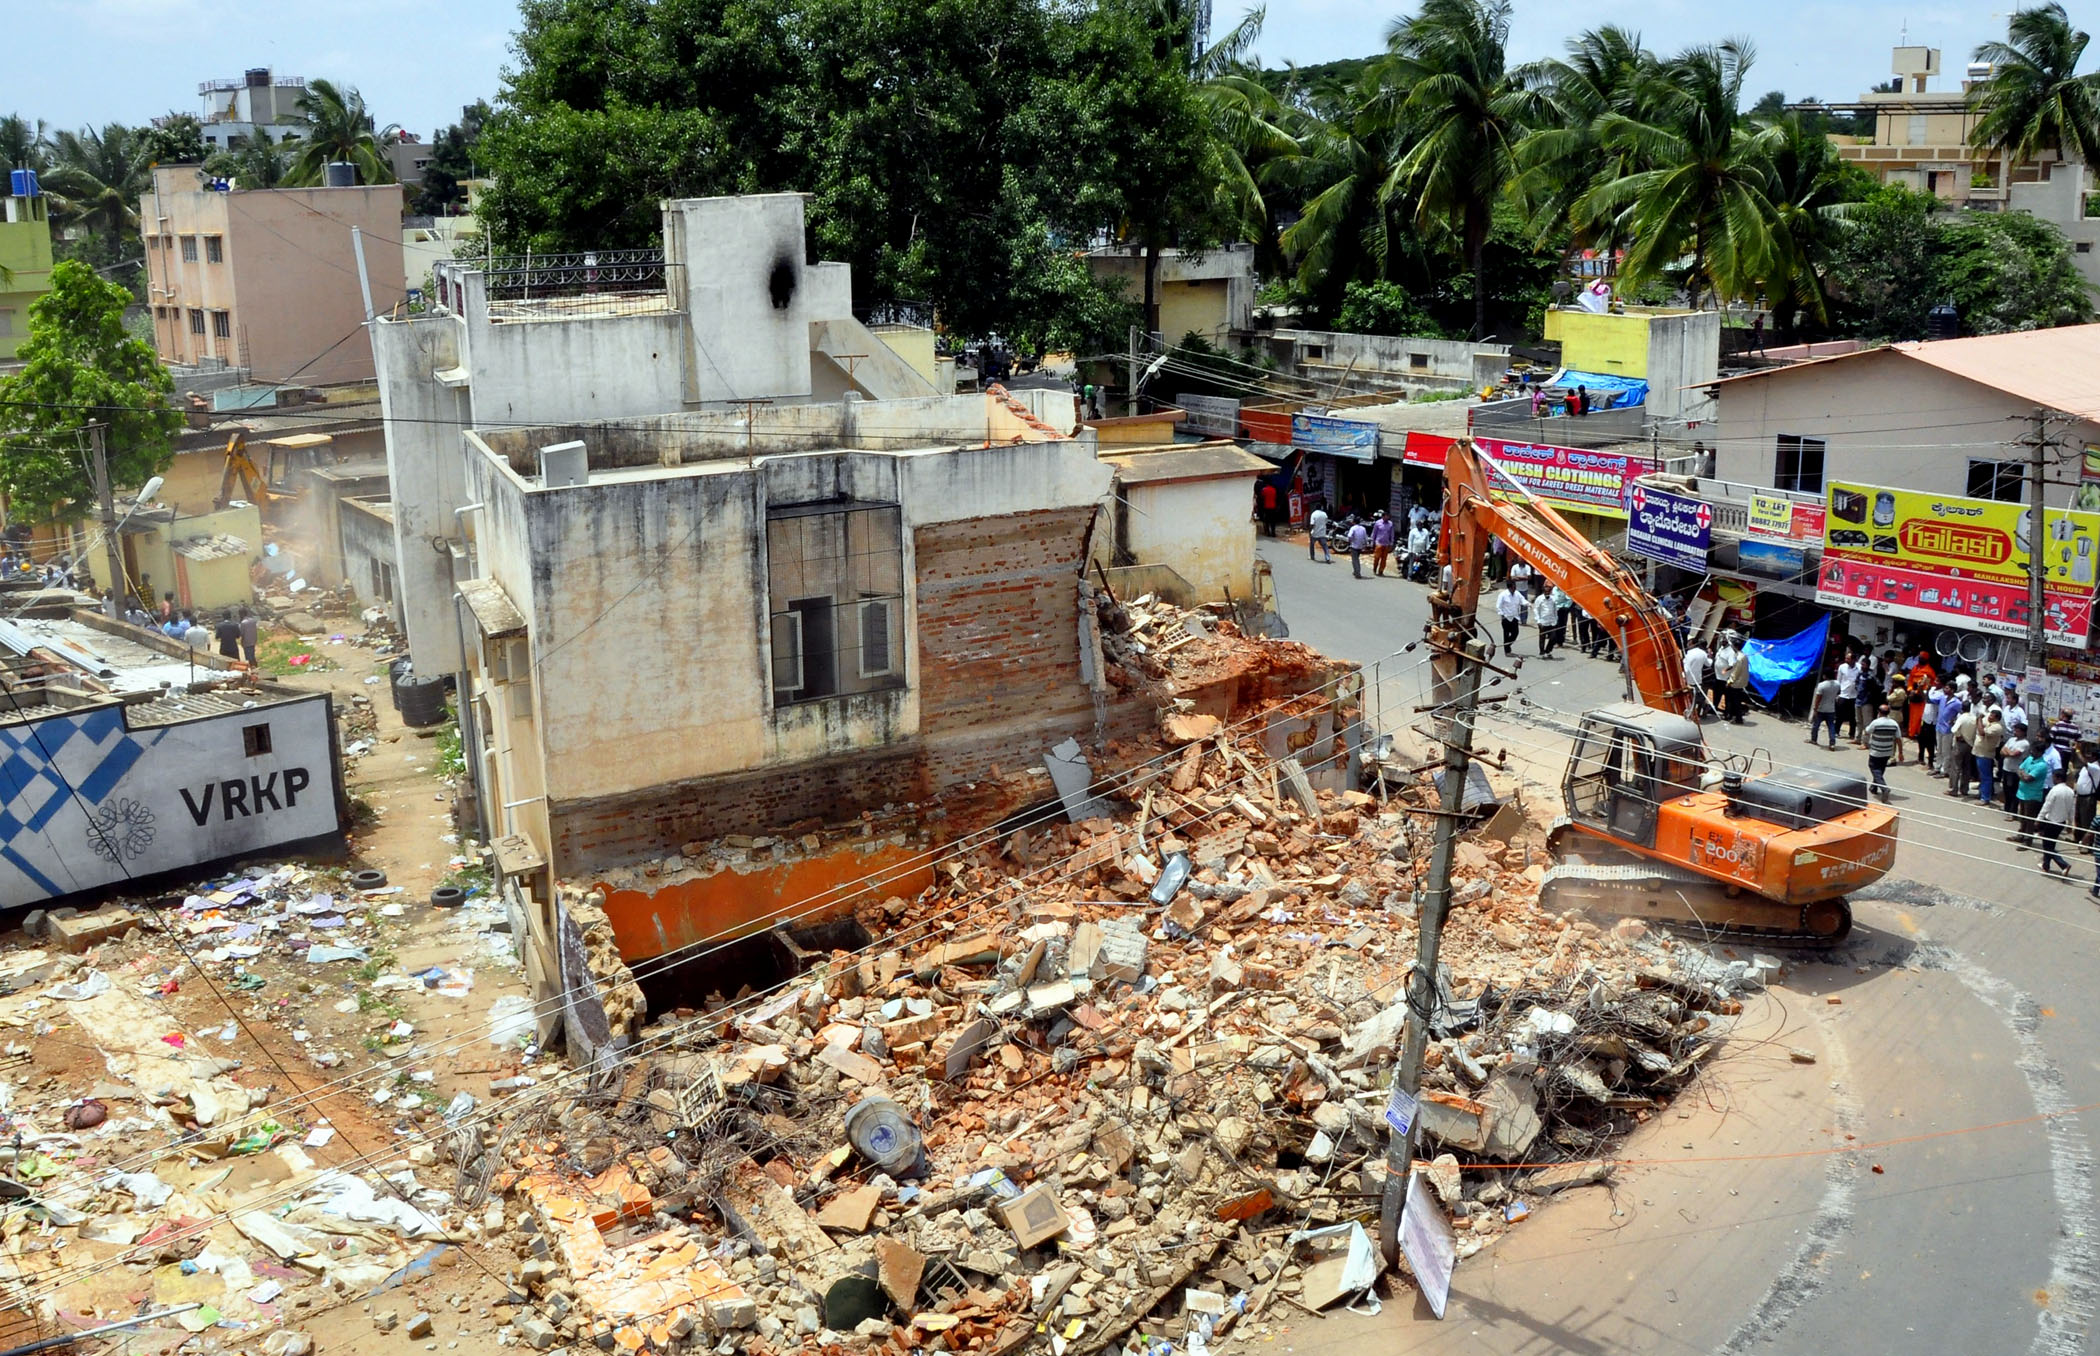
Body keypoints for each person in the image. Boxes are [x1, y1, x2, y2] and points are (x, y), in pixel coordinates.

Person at [2014, 743, 2053, 849]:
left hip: (2032, 795)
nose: (2032, 752)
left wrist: (2023, 774)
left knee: (2029, 819)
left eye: (2035, 751)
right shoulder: (2030, 758)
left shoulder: (2042, 765)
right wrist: (2023, 774)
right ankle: (2021, 834)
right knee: (2022, 816)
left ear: (2040, 753)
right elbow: (2019, 769)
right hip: (2022, 793)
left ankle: (2028, 840)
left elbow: (2028, 779)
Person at [2039, 768, 2076, 875]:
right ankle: (2046, 866)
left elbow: (2047, 806)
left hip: (2051, 821)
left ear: (2058, 778)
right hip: (2061, 822)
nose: (2053, 779)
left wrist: (2039, 819)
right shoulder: (2070, 791)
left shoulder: (2054, 790)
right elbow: (2071, 809)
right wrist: (2070, 823)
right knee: (2051, 843)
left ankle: (2063, 864)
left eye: (2054, 777)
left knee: (2047, 846)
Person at [1863, 704, 1901, 802]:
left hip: (1876, 751)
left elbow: (1867, 731)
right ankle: (1874, 787)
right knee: (1880, 769)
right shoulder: (1894, 723)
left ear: (1879, 712)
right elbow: (1898, 739)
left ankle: (1884, 788)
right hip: (1888, 751)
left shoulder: (1876, 723)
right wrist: (1900, 753)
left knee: (1874, 768)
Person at [1973, 706, 2006, 804]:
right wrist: (1980, 719)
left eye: (1992, 715)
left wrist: (1979, 719)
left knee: (1986, 776)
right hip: (1979, 752)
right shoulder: (1989, 723)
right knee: (1982, 775)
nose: (1989, 716)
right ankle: (1982, 793)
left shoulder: (1997, 727)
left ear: (1996, 718)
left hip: (1985, 754)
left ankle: (1985, 798)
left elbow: (1982, 732)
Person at [1948, 701, 1978, 798]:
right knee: (1966, 767)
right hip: (1970, 744)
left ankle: (1954, 789)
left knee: (1956, 767)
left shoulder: (1962, 717)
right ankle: (1964, 789)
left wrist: (1958, 735)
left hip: (1960, 743)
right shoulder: (1974, 718)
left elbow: (1954, 729)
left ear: (1962, 708)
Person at [2002, 719, 2032, 817]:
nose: (2015, 732)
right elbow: (2002, 750)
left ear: (2023, 732)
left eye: (2017, 731)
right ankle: (2007, 809)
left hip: (2015, 770)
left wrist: (2008, 752)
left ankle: (2012, 812)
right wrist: (2008, 752)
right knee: (2006, 790)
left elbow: (2014, 754)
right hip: (2006, 768)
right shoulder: (2011, 740)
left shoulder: (2024, 743)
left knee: (2013, 791)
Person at [1810, 672, 1842, 747]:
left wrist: (1815, 709)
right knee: (1831, 726)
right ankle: (1832, 743)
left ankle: (1814, 739)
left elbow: (1818, 698)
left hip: (1821, 709)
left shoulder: (1822, 685)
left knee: (1816, 725)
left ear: (1825, 676)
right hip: (1831, 709)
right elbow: (1838, 693)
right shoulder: (1837, 684)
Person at [1917, 682, 1943, 772]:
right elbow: (1921, 695)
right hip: (1925, 718)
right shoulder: (1931, 689)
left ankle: (1930, 762)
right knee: (1921, 739)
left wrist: (1927, 690)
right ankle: (1920, 757)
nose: (1935, 682)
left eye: (1937, 680)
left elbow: (1928, 700)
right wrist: (1920, 687)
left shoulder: (1941, 693)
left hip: (1933, 721)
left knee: (1930, 742)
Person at [2077, 750, 2100, 850]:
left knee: (2087, 821)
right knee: (2079, 819)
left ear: (2094, 757)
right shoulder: (2086, 767)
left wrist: (2078, 750)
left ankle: (2087, 845)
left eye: (2089, 754)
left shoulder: (2095, 767)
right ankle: (2078, 838)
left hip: (2088, 797)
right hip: (2080, 796)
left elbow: (2083, 761)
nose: (2087, 756)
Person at [1836, 652, 1861, 743]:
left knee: (1852, 716)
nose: (1846, 660)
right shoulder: (1842, 667)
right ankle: (1836, 731)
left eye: (1848, 659)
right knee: (1840, 715)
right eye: (1846, 658)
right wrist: (1837, 693)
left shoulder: (1859, 667)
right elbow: (1838, 680)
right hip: (1843, 693)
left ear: (1854, 660)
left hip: (1854, 695)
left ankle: (1852, 733)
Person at [1723, 643, 1750, 724]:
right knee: (1737, 700)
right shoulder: (1744, 656)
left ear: (1736, 647)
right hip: (1742, 681)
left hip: (1736, 682)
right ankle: (1733, 716)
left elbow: (1735, 672)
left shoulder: (1738, 658)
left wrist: (1729, 681)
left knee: (1735, 701)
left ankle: (1738, 718)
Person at [1884, 679, 1910, 764]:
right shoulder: (1897, 690)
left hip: (1895, 714)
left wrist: (1889, 691)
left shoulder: (1900, 692)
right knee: (1889, 736)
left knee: (1893, 737)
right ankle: (1889, 755)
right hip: (1892, 713)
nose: (1892, 683)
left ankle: (1892, 757)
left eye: (1894, 682)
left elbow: (1888, 698)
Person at [1685, 641, 1712, 714]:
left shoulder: (1690, 653)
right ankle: (1699, 711)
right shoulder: (1704, 654)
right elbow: (1709, 664)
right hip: (1699, 680)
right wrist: (1710, 657)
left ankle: (1694, 712)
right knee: (1698, 697)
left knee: (1693, 698)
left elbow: (1686, 667)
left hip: (1690, 679)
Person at [1532, 587, 1560, 656]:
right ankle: (1542, 651)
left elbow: (1555, 610)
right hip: (1543, 622)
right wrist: (1538, 621)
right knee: (1542, 638)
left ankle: (1548, 650)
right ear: (1543, 592)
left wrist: (1555, 620)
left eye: (1548, 592)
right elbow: (1536, 610)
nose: (1547, 593)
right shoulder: (1539, 599)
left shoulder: (1553, 599)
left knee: (1553, 637)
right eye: (1546, 592)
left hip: (1551, 622)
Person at [1497, 582, 1526, 648]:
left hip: (1515, 617)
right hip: (1506, 617)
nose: (1515, 588)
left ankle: (1507, 645)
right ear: (1509, 588)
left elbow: (1522, 600)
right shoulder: (1503, 595)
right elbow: (1498, 606)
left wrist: (1528, 604)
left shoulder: (1517, 593)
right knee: (1506, 634)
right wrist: (1502, 615)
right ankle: (1507, 650)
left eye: (1515, 587)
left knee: (1515, 633)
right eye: (1513, 587)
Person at [1370, 511, 1395, 577]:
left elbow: (1392, 534)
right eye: (1386, 516)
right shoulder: (1378, 523)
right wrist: (1372, 542)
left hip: (1386, 544)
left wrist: (1391, 543)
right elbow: (1374, 533)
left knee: (1384, 559)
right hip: (1379, 543)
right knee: (1377, 557)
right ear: (1383, 516)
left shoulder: (1390, 524)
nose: (1388, 517)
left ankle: (1381, 571)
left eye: (1388, 516)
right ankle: (1375, 568)